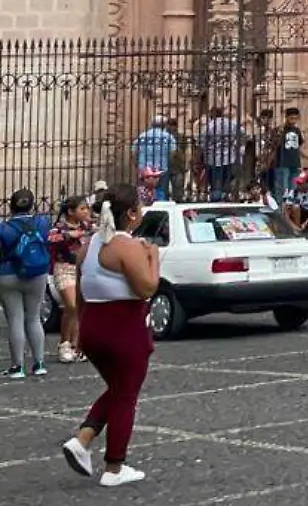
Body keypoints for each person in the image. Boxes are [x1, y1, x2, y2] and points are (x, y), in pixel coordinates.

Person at [61, 184, 159, 486]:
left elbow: (80, 291)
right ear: (131, 213)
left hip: (93, 328)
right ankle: (115, 467)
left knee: (118, 389)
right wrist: (153, 257)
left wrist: (76, 332)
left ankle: (83, 439)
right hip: (124, 329)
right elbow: (147, 288)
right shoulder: (127, 246)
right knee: (126, 395)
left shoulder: (89, 246)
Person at [0, 188, 52, 378]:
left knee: (15, 319)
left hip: (7, 275)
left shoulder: (3, 228)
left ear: (11, 206)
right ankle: (39, 363)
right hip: (37, 273)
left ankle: (17, 366)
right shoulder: (42, 222)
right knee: (33, 317)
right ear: (32, 204)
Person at [48, 196, 91, 364]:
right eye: (82, 209)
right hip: (64, 268)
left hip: (81, 269)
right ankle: (64, 343)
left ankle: (76, 344)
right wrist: (69, 234)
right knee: (71, 305)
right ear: (71, 211)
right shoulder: (59, 227)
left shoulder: (87, 226)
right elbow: (51, 239)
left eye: (86, 208)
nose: (86, 212)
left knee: (80, 308)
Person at [131, 117, 174, 202]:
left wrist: (137, 164)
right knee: (161, 191)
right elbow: (173, 152)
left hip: (144, 169)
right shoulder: (168, 136)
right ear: (164, 125)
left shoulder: (143, 136)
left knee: (144, 192)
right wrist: (168, 161)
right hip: (161, 168)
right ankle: (160, 209)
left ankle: (145, 208)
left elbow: (134, 151)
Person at [271, 107, 304, 200]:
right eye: (291, 118)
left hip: (295, 162)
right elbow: (274, 145)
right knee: (282, 189)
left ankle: (291, 208)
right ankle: (281, 210)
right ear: (286, 117)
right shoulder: (279, 130)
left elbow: (298, 147)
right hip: (282, 162)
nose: (293, 121)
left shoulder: (297, 130)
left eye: (295, 118)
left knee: (293, 189)